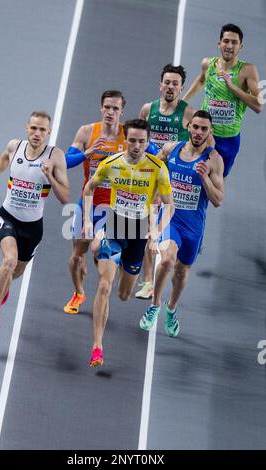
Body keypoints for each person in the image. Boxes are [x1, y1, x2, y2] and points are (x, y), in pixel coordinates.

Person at [83, 119, 175, 366]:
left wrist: (156, 232)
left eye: (141, 141)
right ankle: (97, 347)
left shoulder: (157, 168)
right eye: (132, 140)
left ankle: (102, 256)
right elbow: (89, 189)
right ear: (125, 139)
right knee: (105, 286)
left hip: (138, 234)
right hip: (114, 227)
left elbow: (169, 205)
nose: (136, 146)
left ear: (147, 142)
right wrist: (88, 222)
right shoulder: (110, 164)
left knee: (124, 295)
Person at [0, 111, 70, 340]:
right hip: (7, 216)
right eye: (34, 128)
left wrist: (49, 175)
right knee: (8, 261)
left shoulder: (55, 156)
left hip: (32, 228)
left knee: (16, 272)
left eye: (42, 130)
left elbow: (65, 197)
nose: (37, 133)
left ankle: (5, 286)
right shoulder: (15, 147)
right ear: (26, 128)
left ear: (48, 132)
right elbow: (3, 159)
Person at [139, 110, 224, 336]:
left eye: (204, 129)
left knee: (181, 272)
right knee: (166, 260)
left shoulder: (213, 160)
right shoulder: (170, 149)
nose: (198, 132)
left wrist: (205, 178)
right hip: (170, 218)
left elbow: (218, 200)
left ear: (209, 131)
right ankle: (154, 306)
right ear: (189, 127)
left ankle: (171, 309)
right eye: (195, 127)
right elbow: (152, 171)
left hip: (194, 227)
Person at [63, 90, 126, 315]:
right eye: (107, 107)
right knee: (76, 257)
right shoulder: (87, 131)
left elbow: (153, 155)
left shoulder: (127, 136)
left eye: (115, 108)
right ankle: (79, 293)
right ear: (101, 108)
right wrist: (87, 153)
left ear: (121, 111)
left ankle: (103, 265)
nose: (110, 112)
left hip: (115, 208)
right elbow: (66, 162)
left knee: (99, 252)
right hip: (87, 202)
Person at [136, 64, 195, 299]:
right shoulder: (147, 109)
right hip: (149, 177)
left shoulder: (188, 113)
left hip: (172, 181)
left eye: (175, 83)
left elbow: (200, 141)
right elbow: (137, 137)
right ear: (161, 85)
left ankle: (172, 260)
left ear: (181, 88)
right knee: (146, 227)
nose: (170, 87)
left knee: (161, 228)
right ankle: (148, 281)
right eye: (167, 82)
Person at [184, 23, 263, 177]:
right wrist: (184, 100)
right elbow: (201, 80)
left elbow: (258, 105)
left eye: (234, 42)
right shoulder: (208, 64)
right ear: (219, 43)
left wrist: (232, 86)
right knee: (193, 174)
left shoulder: (247, 70)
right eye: (226, 41)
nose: (229, 46)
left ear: (241, 46)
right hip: (204, 132)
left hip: (229, 139)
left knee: (217, 180)